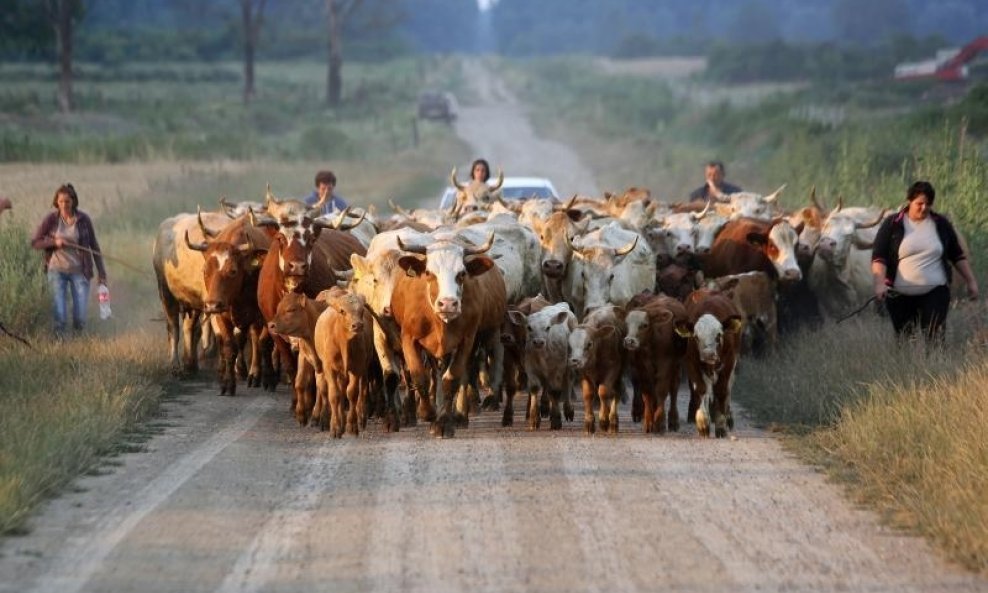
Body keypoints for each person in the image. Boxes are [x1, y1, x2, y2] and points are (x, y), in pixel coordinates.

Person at [871, 180, 979, 344]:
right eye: (919, 203)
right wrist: (879, 283)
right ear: (910, 201)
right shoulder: (893, 224)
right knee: (905, 339)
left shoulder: (941, 224)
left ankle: (936, 367)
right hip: (899, 294)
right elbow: (879, 256)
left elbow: (957, 255)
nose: (924, 208)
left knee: (935, 336)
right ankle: (909, 367)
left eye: (928, 204)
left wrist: (971, 281)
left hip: (936, 290)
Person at [31, 183, 108, 338]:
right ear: (56, 203)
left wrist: (102, 273)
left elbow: (94, 246)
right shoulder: (51, 220)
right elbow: (36, 242)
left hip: (80, 271)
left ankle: (78, 342)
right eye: (61, 202)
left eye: (67, 201)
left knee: (80, 317)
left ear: (73, 201)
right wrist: (55, 242)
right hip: (56, 270)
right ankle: (59, 343)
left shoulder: (84, 220)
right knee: (60, 314)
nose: (64, 205)